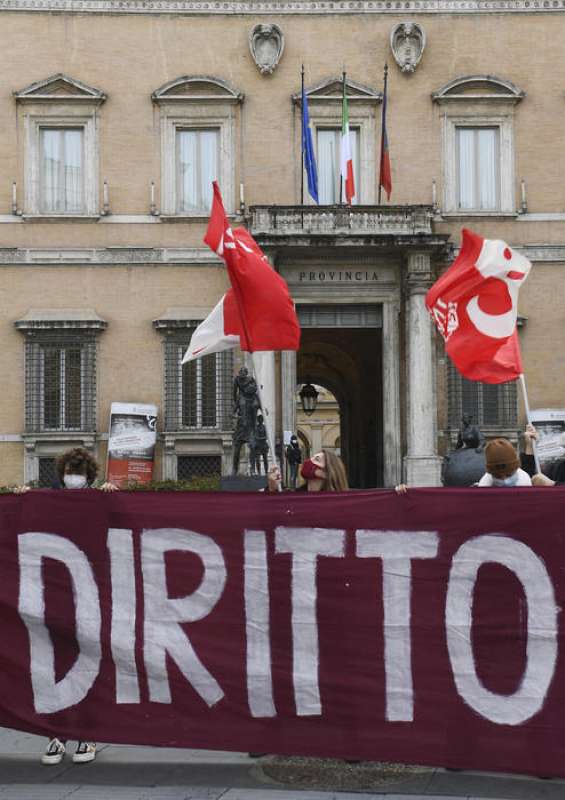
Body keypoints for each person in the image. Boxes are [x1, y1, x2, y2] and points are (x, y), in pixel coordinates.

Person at [35, 448, 117, 766]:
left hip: (90, 596)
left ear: (89, 476)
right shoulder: (48, 501)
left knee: (87, 664)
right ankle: (55, 735)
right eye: (71, 470)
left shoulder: (100, 499)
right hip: (55, 595)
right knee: (53, 665)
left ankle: (87, 735)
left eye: (79, 471)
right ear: (62, 473)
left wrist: (113, 496)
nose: (74, 476)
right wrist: (20, 497)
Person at [268, 448, 348, 493]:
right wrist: (272, 488)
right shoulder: (294, 495)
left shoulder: (336, 502)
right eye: (312, 457)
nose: (309, 460)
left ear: (326, 473)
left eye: (317, 459)